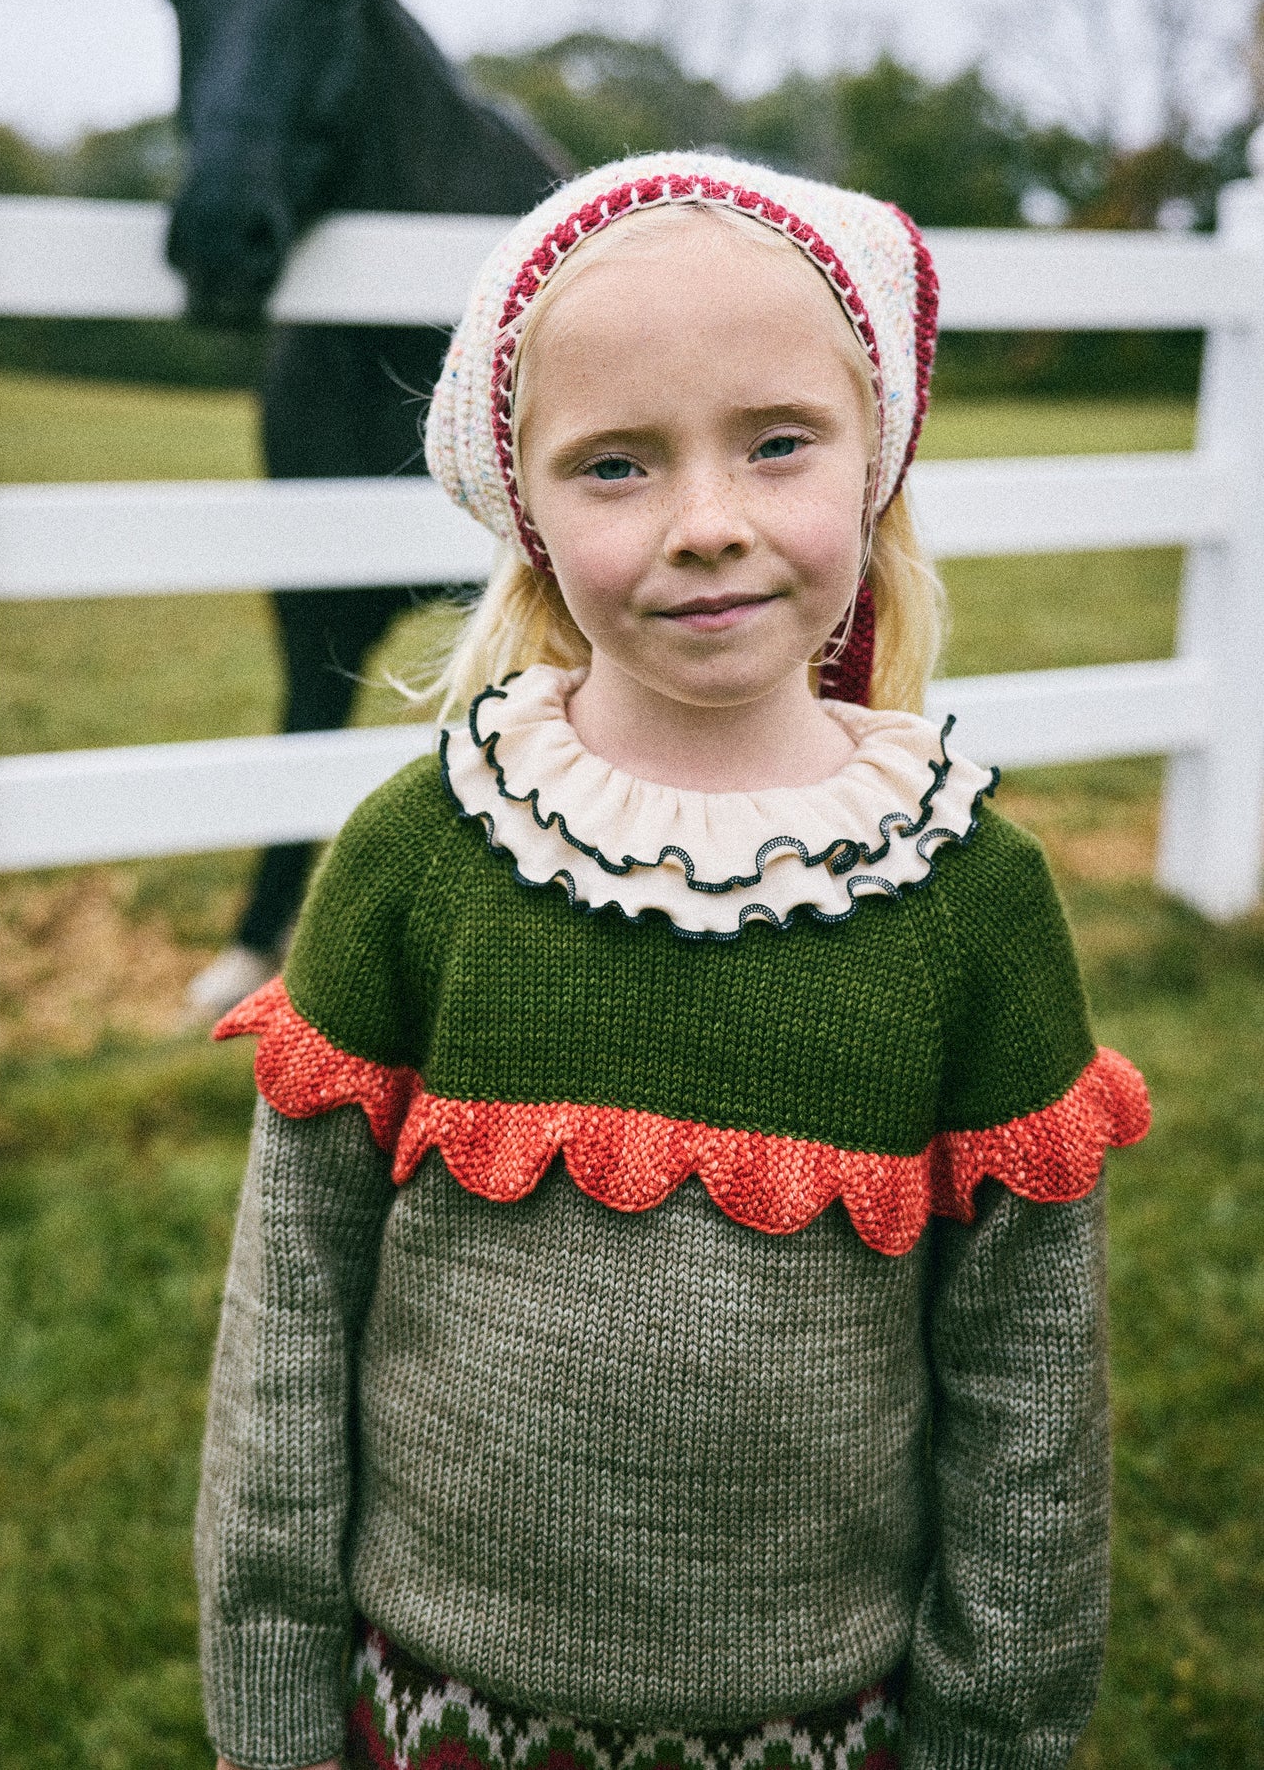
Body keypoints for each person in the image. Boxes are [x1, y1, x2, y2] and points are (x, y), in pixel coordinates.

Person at [197, 151, 1150, 1770]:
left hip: (817, 1725)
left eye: (776, 444)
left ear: (873, 464)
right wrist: (273, 1713)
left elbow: (1030, 1401)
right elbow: (284, 1327)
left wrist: (990, 1725)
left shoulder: (970, 902)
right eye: (615, 465)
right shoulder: (417, 859)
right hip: (423, 1713)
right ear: (524, 507)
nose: (706, 526)